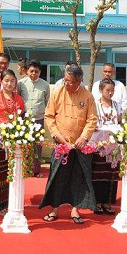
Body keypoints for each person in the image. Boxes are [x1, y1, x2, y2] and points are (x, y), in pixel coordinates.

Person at [39, 64, 97, 225]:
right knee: (58, 176)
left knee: (77, 177)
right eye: (65, 80)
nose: (67, 84)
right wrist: (57, 136)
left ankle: (75, 209)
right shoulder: (57, 93)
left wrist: (84, 138)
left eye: (70, 82)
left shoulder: (88, 96)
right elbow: (49, 116)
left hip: (79, 146)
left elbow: (92, 119)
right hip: (60, 143)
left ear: (79, 81)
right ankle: (55, 209)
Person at [0, 69, 25, 215]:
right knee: (0, 172)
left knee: (14, 171)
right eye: (6, 81)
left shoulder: (19, 99)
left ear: (16, 83)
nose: (9, 84)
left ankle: (14, 203)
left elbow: (23, 118)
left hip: (16, 141)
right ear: (1, 82)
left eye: (12, 81)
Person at [91, 78, 122, 215]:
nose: (110, 93)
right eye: (107, 90)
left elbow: (119, 121)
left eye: (112, 90)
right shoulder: (95, 105)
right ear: (100, 90)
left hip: (113, 144)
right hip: (99, 144)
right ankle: (96, 202)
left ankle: (107, 202)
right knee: (98, 173)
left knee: (111, 174)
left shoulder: (116, 105)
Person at [17, 60, 50, 178]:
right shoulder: (21, 83)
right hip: (24, 119)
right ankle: (25, 168)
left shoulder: (45, 85)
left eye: (36, 71)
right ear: (27, 71)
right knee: (25, 144)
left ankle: (36, 170)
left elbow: (47, 102)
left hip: (39, 118)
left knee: (37, 145)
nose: (33, 74)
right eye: (31, 71)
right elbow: (18, 99)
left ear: (40, 72)